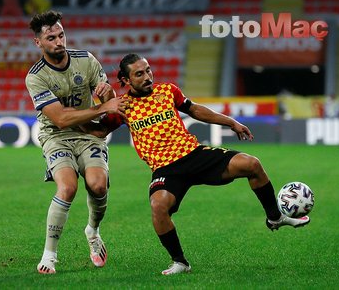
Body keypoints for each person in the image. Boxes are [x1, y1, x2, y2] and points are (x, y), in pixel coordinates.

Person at [103, 53, 310, 275]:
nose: (147, 76)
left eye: (148, 70)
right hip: (166, 169)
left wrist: (231, 122)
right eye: (139, 73)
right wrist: (89, 113)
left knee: (252, 164)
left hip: (194, 154)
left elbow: (194, 110)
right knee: (158, 207)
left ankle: (275, 217)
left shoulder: (168, 91)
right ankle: (180, 262)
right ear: (125, 80)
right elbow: (97, 130)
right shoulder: (122, 107)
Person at [25, 10, 127, 274]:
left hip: (87, 134)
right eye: (51, 38)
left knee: (98, 184)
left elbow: (110, 104)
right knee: (68, 188)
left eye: (61, 35)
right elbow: (59, 119)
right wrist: (99, 110)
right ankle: (49, 255)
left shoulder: (86, 60)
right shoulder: (36, 76)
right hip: (56, 136)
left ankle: (93, 231)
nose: (59, 41)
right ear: (39, 42)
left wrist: (108, 94)